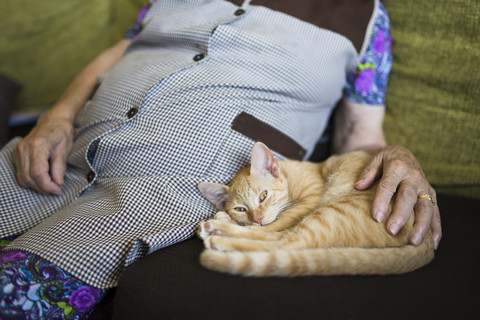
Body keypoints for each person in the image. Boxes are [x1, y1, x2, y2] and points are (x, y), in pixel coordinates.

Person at [0, 0, 441, 318]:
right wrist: (56, 115)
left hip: (165, 191)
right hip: (65, 149)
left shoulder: (366, 20)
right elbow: (122, 51)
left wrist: (400, 158)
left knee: (15, 295)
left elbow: (359, 136)